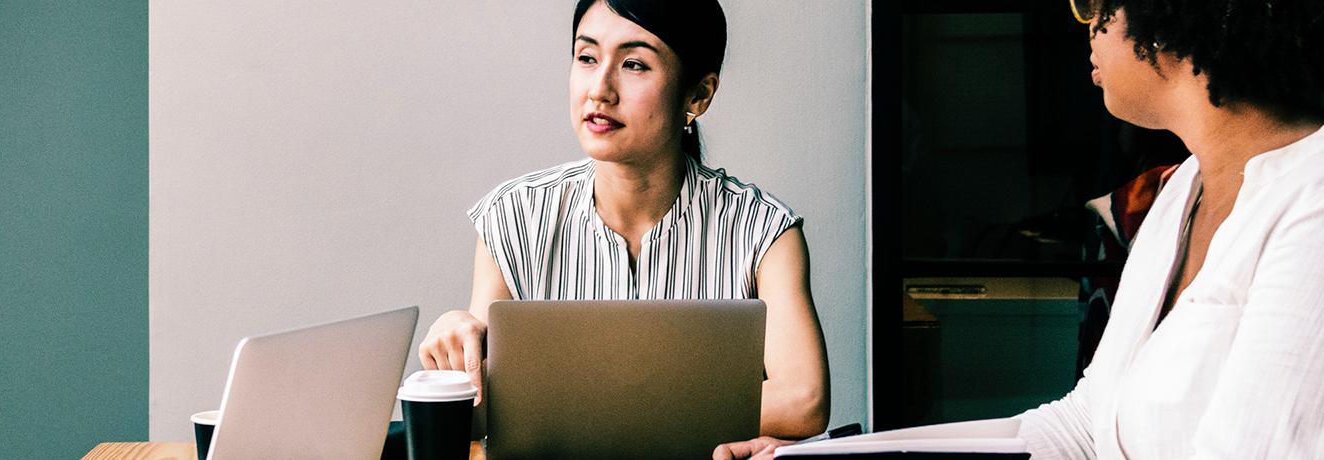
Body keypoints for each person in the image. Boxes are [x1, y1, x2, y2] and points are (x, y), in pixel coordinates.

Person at [722, 0, 1324, 457]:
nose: (1086, 23)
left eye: (1096, 3)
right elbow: (1077, 429)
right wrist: (820, 455)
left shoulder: (1312, 203)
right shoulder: (1179, 196)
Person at [417, 0, 831, 444]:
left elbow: (804, 401)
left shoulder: (763, 229)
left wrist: (569, 409)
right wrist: (454, 341)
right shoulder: (514, 216)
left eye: (634, 64)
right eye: (587, 57)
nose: (599, 89)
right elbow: (487, 412)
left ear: (699, 95)